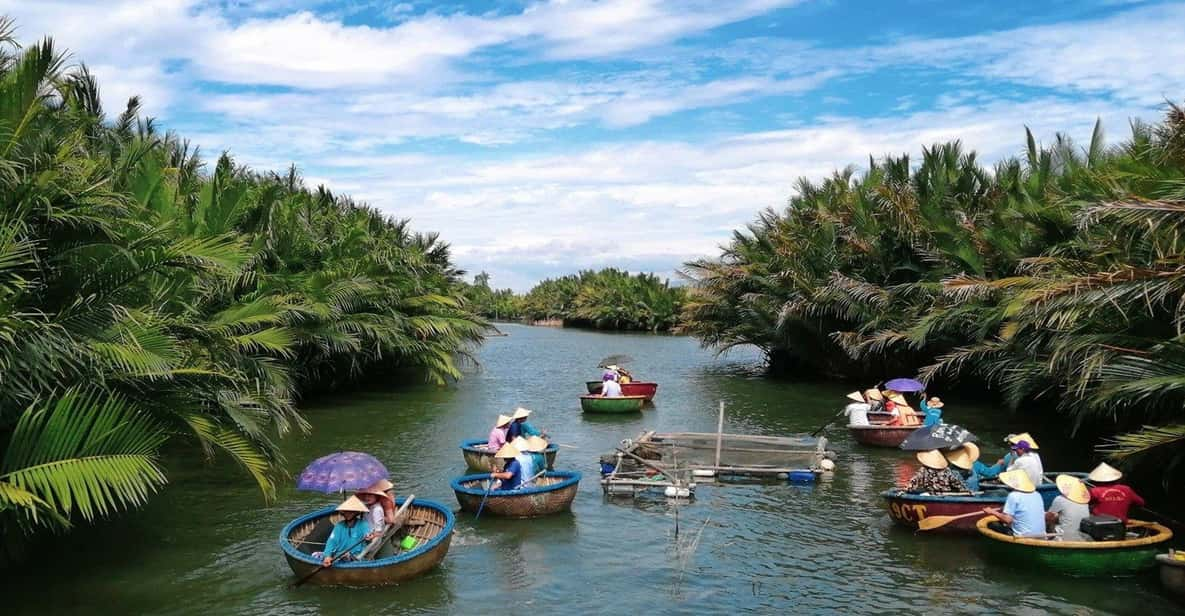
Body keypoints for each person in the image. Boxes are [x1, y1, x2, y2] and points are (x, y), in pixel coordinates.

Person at [983, 469, 1045, 537]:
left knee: (992, 525)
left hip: (1023, 536)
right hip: (1041, 535)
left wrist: (992, 512)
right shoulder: (1038, 494)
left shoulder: (1013, 495)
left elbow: (1008, 520)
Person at [312, 496, 371, 566]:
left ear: (356, 513)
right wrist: (327, 556)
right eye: (346, 511)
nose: (347, 513)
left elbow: (367, 535)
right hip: (338, 555)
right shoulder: (339, 525)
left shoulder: (363, 524)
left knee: (346, 555)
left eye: (351, 512)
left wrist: (368, 537)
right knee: (315, 555)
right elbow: (332, 541)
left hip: (355, 557)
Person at [1046, 474, 1092, 541]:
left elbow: (1049, 516)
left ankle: (1049, 539)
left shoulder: (1060, 499)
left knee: (1049, 519)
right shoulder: (1085, 502)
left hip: (1065, 538)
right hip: (1083, 538)